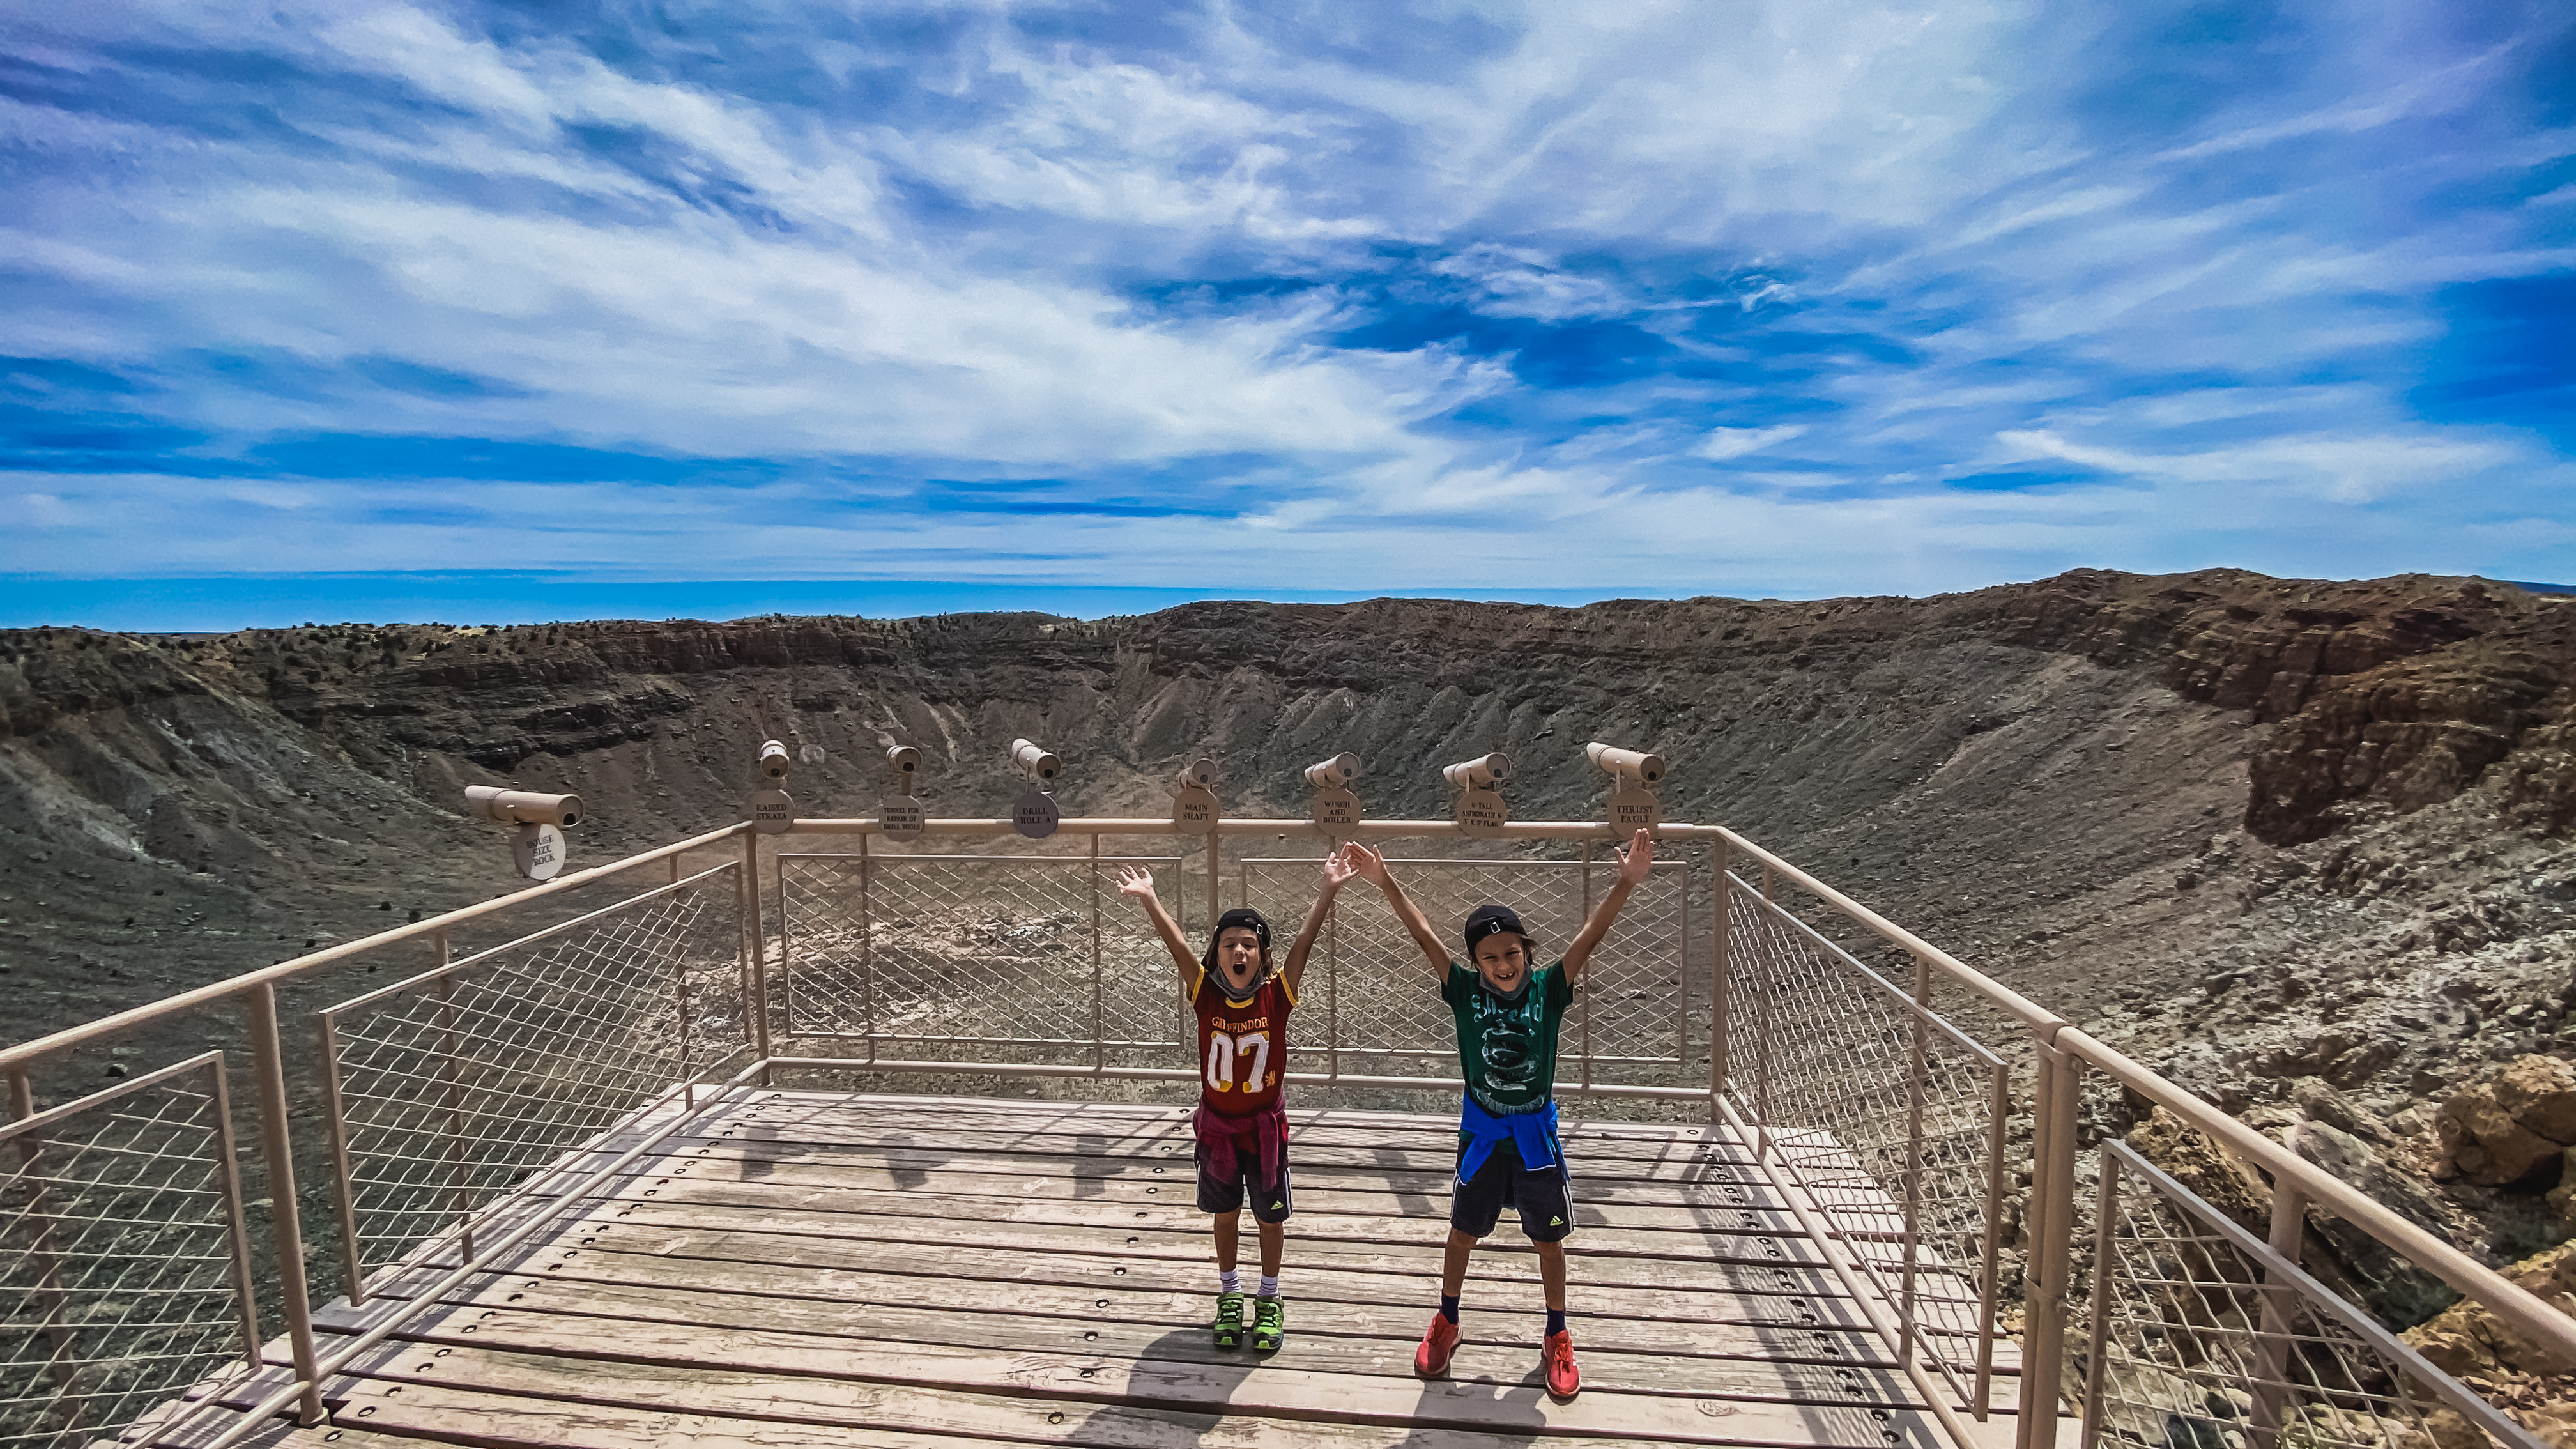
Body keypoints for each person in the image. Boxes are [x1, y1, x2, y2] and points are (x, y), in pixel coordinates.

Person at [1340, 829, 1655, 1402]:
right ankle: (1448, 1318)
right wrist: (1385, 883)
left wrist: (1625, 883)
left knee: (1549, 1242)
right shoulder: (1463, 991)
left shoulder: (1549, 988)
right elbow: (1423, 934)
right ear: (1475, 963)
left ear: (1527, 953)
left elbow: (1591, 934)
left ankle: (1557, 1332)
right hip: (1483, 1135)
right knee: (1462, 1233)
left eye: (1512, 953)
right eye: (1490, 957)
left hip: (1534, 1137)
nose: (1504, 964)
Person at [1115, 852, 1350, 1353]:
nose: (1239, 951)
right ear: (1216, 954)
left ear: (1263, 956)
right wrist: (1151, 899)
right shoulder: (1205, 994)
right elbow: (1177, 946)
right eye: (1229, 944)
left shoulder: (1277, 995)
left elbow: (1305, 942)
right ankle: (1229, 1294)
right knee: (1224, 1216)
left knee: (1270, 1218)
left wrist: (1328, 889)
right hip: (1219, 1130)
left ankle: (1269, 1297)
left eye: (1249, 944)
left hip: (1264, 1133)